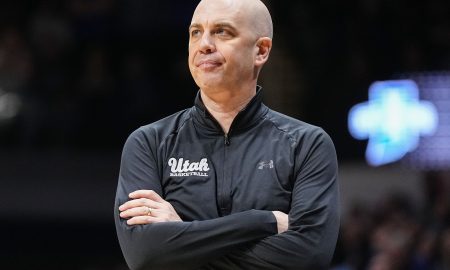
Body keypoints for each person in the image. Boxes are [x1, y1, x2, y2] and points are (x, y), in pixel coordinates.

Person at [114, 0, 340, 269]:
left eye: (222, 32)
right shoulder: (148, 143)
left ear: (261, 50)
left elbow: (308, 258)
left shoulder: (307, 145)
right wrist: (263, 221)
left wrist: (181, 236)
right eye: (195, 32)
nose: (204, 44)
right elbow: (145, 254)